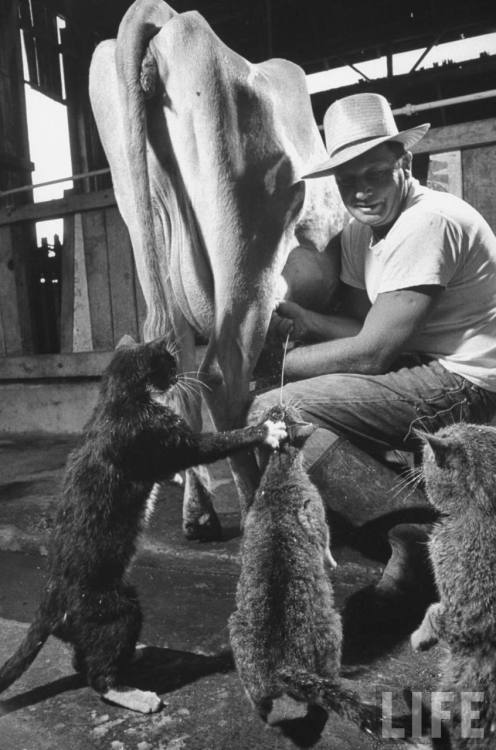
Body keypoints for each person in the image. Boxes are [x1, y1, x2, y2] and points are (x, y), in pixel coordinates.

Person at [250, 92, 496, 618]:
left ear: (403, 163)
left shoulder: (429, 221)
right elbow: (365, 326)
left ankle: (426, 540)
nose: (360, 192)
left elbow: (372, 354)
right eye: (346, 181)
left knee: (269, 412)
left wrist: (269, 369)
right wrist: (308, 321)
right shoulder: (363, 231)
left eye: (375, 175)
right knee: (284, 402)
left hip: (468, 382)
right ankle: (392, 520)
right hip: (422, 362)